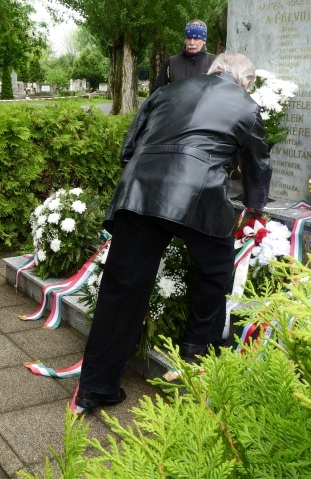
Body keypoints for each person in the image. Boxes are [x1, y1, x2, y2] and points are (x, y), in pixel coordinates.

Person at [74, 52, 272, 411]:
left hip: (141, 192)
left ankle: (96, 387)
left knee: (122, 287)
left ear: (213, 70)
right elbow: (258, 166)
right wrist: (255, 208)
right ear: (245, 81)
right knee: (215, 269)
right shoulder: (246, 105)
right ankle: (198, 349)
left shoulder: (166, 92)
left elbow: (129, 148)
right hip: (199, 194)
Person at [150, 20, 215, 95]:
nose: (191, 42)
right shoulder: (172, 63)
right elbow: (156, 93)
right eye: (189, 38)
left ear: (204, 41)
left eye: (196, 39)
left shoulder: (214, 63)